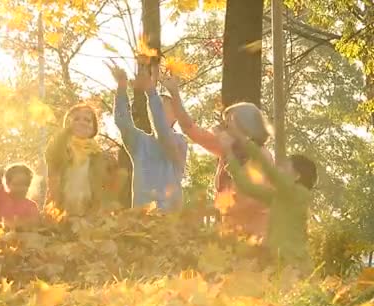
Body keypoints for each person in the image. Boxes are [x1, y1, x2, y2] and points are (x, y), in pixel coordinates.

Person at [219, 124, 318, 271]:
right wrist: (229, 154)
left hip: (294, 265)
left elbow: (269, 171)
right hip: (277, 263)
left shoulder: (299, 194)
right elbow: (247, 187)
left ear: (297, 175)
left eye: (285, 168)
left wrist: (242, 138)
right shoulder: (281, 196)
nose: (280, 170)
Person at [173, 95, 274, 238]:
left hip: (256, 237)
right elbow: (190, 129)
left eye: (229, 124)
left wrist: (217, 208)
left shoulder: (262, 156)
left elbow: (254, 199)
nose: (224, 129)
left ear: (245, 127)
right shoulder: (228, 149)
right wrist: (174, 93)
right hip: (230, 235)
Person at [109, 63, 188, 212]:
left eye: (165, 107)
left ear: (175, 117)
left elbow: (163, 132)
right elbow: (122, 122)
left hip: (170, 220)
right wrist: (121, 87)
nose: (158, 110)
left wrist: (152, 92)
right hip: (141, 217)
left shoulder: (179, 142)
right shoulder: (140, 141)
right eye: (158, 106)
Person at [45, 104, 105, 217]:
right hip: (62, 206)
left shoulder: (97, 153)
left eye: (87, 120)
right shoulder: (61, 147)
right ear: (67, 125)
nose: (82, 122)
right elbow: (52, 162)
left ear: (94, 128)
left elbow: (102, 183)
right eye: (76, 119)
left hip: (88, 209)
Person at [0, 164, 40, 229]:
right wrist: (2, 167)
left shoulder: (31, 205)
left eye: (25, 184)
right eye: (16, 184)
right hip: (4, 236)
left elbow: (35, 223)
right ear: (8, 184)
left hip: (25, 236)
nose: (20, 188)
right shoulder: (3, 199)